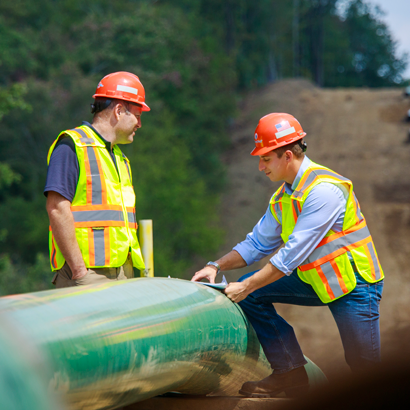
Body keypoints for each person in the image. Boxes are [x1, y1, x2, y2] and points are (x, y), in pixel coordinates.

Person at [191, 113, 384, 398]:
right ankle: (289, 374)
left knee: (363, 368)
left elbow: (288, 258)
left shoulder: (324, 191)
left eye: (266, 159)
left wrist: (245, 286)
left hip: (354, 285)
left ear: (288, 156)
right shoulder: (284, 196)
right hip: (317, 280)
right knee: (255, 294)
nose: (260, 167)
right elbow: (255, 244)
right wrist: (215, 265)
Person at [45, 71, 149, 288]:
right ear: (119, 111)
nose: (139, 124)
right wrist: (79, 271)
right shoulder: (71, 145)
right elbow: (56, 208)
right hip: (86, 275)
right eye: (137, 116)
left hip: (120, 273)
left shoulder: (119, 157)